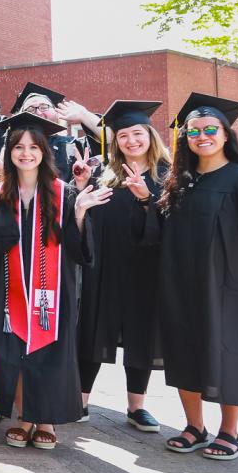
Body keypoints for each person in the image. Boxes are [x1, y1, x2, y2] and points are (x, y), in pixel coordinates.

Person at [137, 93, 238, 461]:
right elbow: (160, 230)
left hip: (228, 284)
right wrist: (148, 199)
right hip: (181, 281)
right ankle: (194, 426)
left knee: (228, 349)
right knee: (184, 347)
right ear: (185, 138)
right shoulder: (179, 181)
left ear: (225, 135)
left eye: (210, 129)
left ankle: (230, 432)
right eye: (194, 131)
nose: (202, 136)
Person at [0, 112, 110, 450]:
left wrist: (79, 214)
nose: (25, 153)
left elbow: (79, 251)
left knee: (47, 350)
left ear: (44, 151)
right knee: (15, 353)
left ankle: (45, 419)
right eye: (18, 147)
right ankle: (24, 417)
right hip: (10, 292)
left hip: (51, 291)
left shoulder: (62, 193)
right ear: (9, 152)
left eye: (33, 147)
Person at [75, 100, 171, 430]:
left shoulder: (167, 176)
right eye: (124, 135)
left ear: (150, 136)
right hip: (104, 266)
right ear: (115, 141)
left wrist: (147, 198)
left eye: (138, 133)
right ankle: (81, 399)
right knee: (92, 328)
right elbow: (90, 217)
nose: (131, 141)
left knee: (141, 334)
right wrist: (81, 188)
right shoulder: (105, 174)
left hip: (145, 267)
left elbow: (171, 225)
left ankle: (136, 406)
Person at [0, 35, 97, 176]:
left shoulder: (71, 147)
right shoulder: (0, 138)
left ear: (57, 113)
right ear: (19, 115)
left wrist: (85, 115)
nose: (38, 112)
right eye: (30, 108)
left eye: (44, 107)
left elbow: (112, 139)